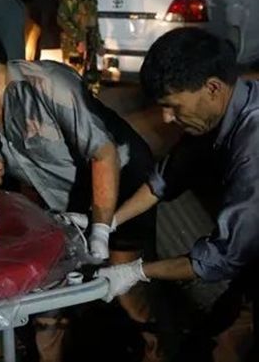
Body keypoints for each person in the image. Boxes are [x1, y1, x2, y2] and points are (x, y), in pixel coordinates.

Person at [0, 19, 162, 361]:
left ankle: (157, 346)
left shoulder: (48, 83)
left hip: (122, 192)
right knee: (47, 311)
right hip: (67, 210)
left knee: (127, 295)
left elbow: (103, 153)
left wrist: (102, 228)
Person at [97, 27, 259, 360]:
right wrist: (109, 222)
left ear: (212, 88)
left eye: (172, 106)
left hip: (242, 255)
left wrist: (135, 272)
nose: (166, 118)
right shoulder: (217, 111)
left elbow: (222, 257)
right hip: (248, 258)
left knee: (225, 346)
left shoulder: (253, 147)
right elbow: (166, 178)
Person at [57, 0, 103, 95]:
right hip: (75, 46)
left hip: (89, 45)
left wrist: (98, 43)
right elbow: (62, 18)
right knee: (73, 84)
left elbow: (92, 20)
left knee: (91, 84)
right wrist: (79, 38)